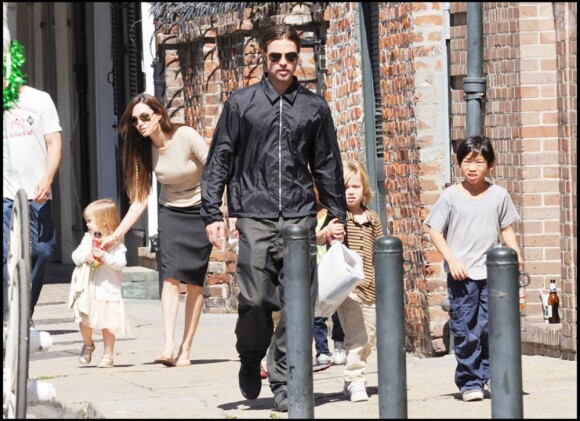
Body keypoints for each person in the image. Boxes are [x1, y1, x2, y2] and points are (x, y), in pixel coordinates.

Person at [201, 23, 347, 413]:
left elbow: (328, 163)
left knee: (300, 302)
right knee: (253, 298)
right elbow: (220, 157)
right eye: (275, 57)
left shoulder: (313, 107)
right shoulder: (241, 103)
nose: (283, 63)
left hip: (300, 215)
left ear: (298, 59)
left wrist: (337, 215)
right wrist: (212, 210)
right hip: (254, 212)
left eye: (290, 57)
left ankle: (285, 380)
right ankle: (251, 356)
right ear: (263, 59)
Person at [99, 93, 211, 367]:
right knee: (170, 278)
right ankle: (168, 346)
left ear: (159, 115)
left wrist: (222, 211)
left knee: (195, 282)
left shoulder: (185, 136)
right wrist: (116, 236)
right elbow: (139, 201)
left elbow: (215, 169)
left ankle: (186, 349)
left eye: (145, 117)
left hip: (200, 210)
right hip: (171, 212)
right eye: (135, 119)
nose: (140, 124)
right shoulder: (143, 150)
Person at [425, 135, 523, 402]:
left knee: (491, 326)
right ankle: (470, 381)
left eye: (478, 162)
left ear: (490, 165)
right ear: (459, 164)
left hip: (492, 273)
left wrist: (515, 255)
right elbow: (435, 230)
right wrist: (451, 260)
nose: (472, 167)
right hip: (462, 274)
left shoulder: (499, 195)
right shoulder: (451, 196)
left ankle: (486, 374)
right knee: (465, 329)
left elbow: (506, 228)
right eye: (467, 161)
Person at [3, 39, 63, 319]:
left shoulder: (40, 100)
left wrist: (48, 178)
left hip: (37, 193)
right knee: (6, 260)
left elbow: (54, 143)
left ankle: (23, 311)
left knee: (42, 250)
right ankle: (9, 317)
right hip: (4, 194)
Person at [335, 160, 384, 403]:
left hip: (371, 287)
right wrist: (330, 234)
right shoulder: (337, 218)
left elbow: (381, 250)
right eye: (345, 187)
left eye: (355, 186)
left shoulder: (373, 218)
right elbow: (321, 240)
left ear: (364, 189)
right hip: (349, 289)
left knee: (369, 337)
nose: (351, 191)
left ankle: (350, 379)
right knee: (358, 336)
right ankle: (356, 381)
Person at [69, 199, 128, 368]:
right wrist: (85, 256)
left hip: (108, 289)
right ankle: (88, 345)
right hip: (89, 289)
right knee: (84, 320)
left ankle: (108, 356)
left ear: (103, 221)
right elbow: (75, 256)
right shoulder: (88, 239)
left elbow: (121, 263)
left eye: (90, 221)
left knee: (108, 324)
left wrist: (105, 256)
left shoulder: (116, 241)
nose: (87, 224)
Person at [313, 195, 346, 372]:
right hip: (315, 268)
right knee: (318, 314)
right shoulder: (308, 216)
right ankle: (322, 350)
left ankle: (339, 345)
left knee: (338, 311)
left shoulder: (333, 214)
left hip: (332, 266)